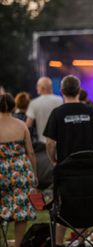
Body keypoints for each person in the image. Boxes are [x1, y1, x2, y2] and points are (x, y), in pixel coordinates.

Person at [43, 75, 93, 247]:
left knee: (63, 206)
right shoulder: (90, 111)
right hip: (89, 169)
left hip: (66, 170)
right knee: (85, 201)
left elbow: (49, 143)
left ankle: (58, 243)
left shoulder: (57, 113)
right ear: (79, 91)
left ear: (62, 91)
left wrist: (54, 160)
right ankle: (82, 239)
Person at [0, 93, 37, 247]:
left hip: (1, 171)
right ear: (14, 106)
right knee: (21, 210)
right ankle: (18, 244)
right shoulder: (21, 125)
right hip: (21, 170)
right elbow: (31, 152)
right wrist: (34, 175)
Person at [26, 77, 63, 144]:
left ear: (42, 87)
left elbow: (28, 125)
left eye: (38, 86)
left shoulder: (34, 103)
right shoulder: (60, 100)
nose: (36, 88)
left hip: (42, 144)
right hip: (58, 142)